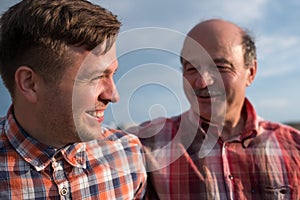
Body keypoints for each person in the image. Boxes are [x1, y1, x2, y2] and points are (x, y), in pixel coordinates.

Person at [129, 19, 300, 199]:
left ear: (251, 72)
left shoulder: (294, 147)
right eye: (192, 68)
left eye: (219, 67)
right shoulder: (145, 145)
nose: (203, 82)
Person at [0, 0, 146, 199]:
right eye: (95, 77)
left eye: (112, 74)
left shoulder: (127, 154)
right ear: (30, 83)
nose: (113, 95)